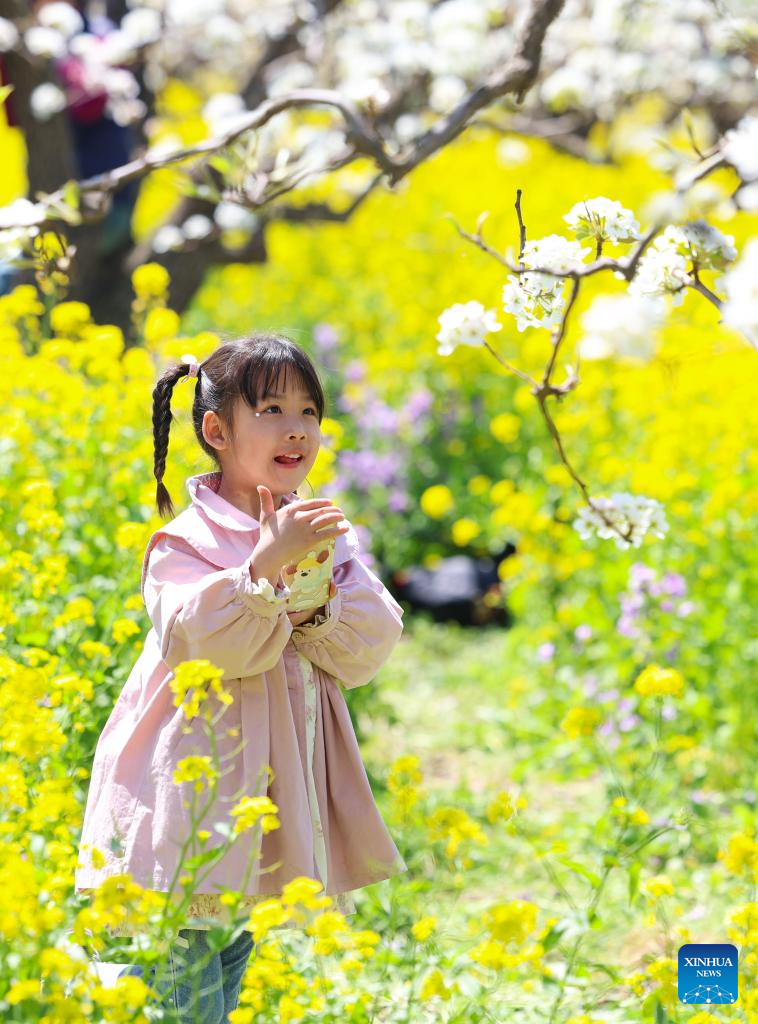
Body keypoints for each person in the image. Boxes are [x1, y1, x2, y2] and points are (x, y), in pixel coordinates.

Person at [74, 332, 408, 1022]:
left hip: (257, 814)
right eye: (272, 411)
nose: (296, 430)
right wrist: (262, 572)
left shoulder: (318, 530)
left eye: (309, 412)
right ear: (216, 430)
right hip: (189, 807)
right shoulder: (187, 541)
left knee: (220, 983)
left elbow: (371, 644)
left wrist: (315, 598)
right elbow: (206, 642)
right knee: (170, 990)